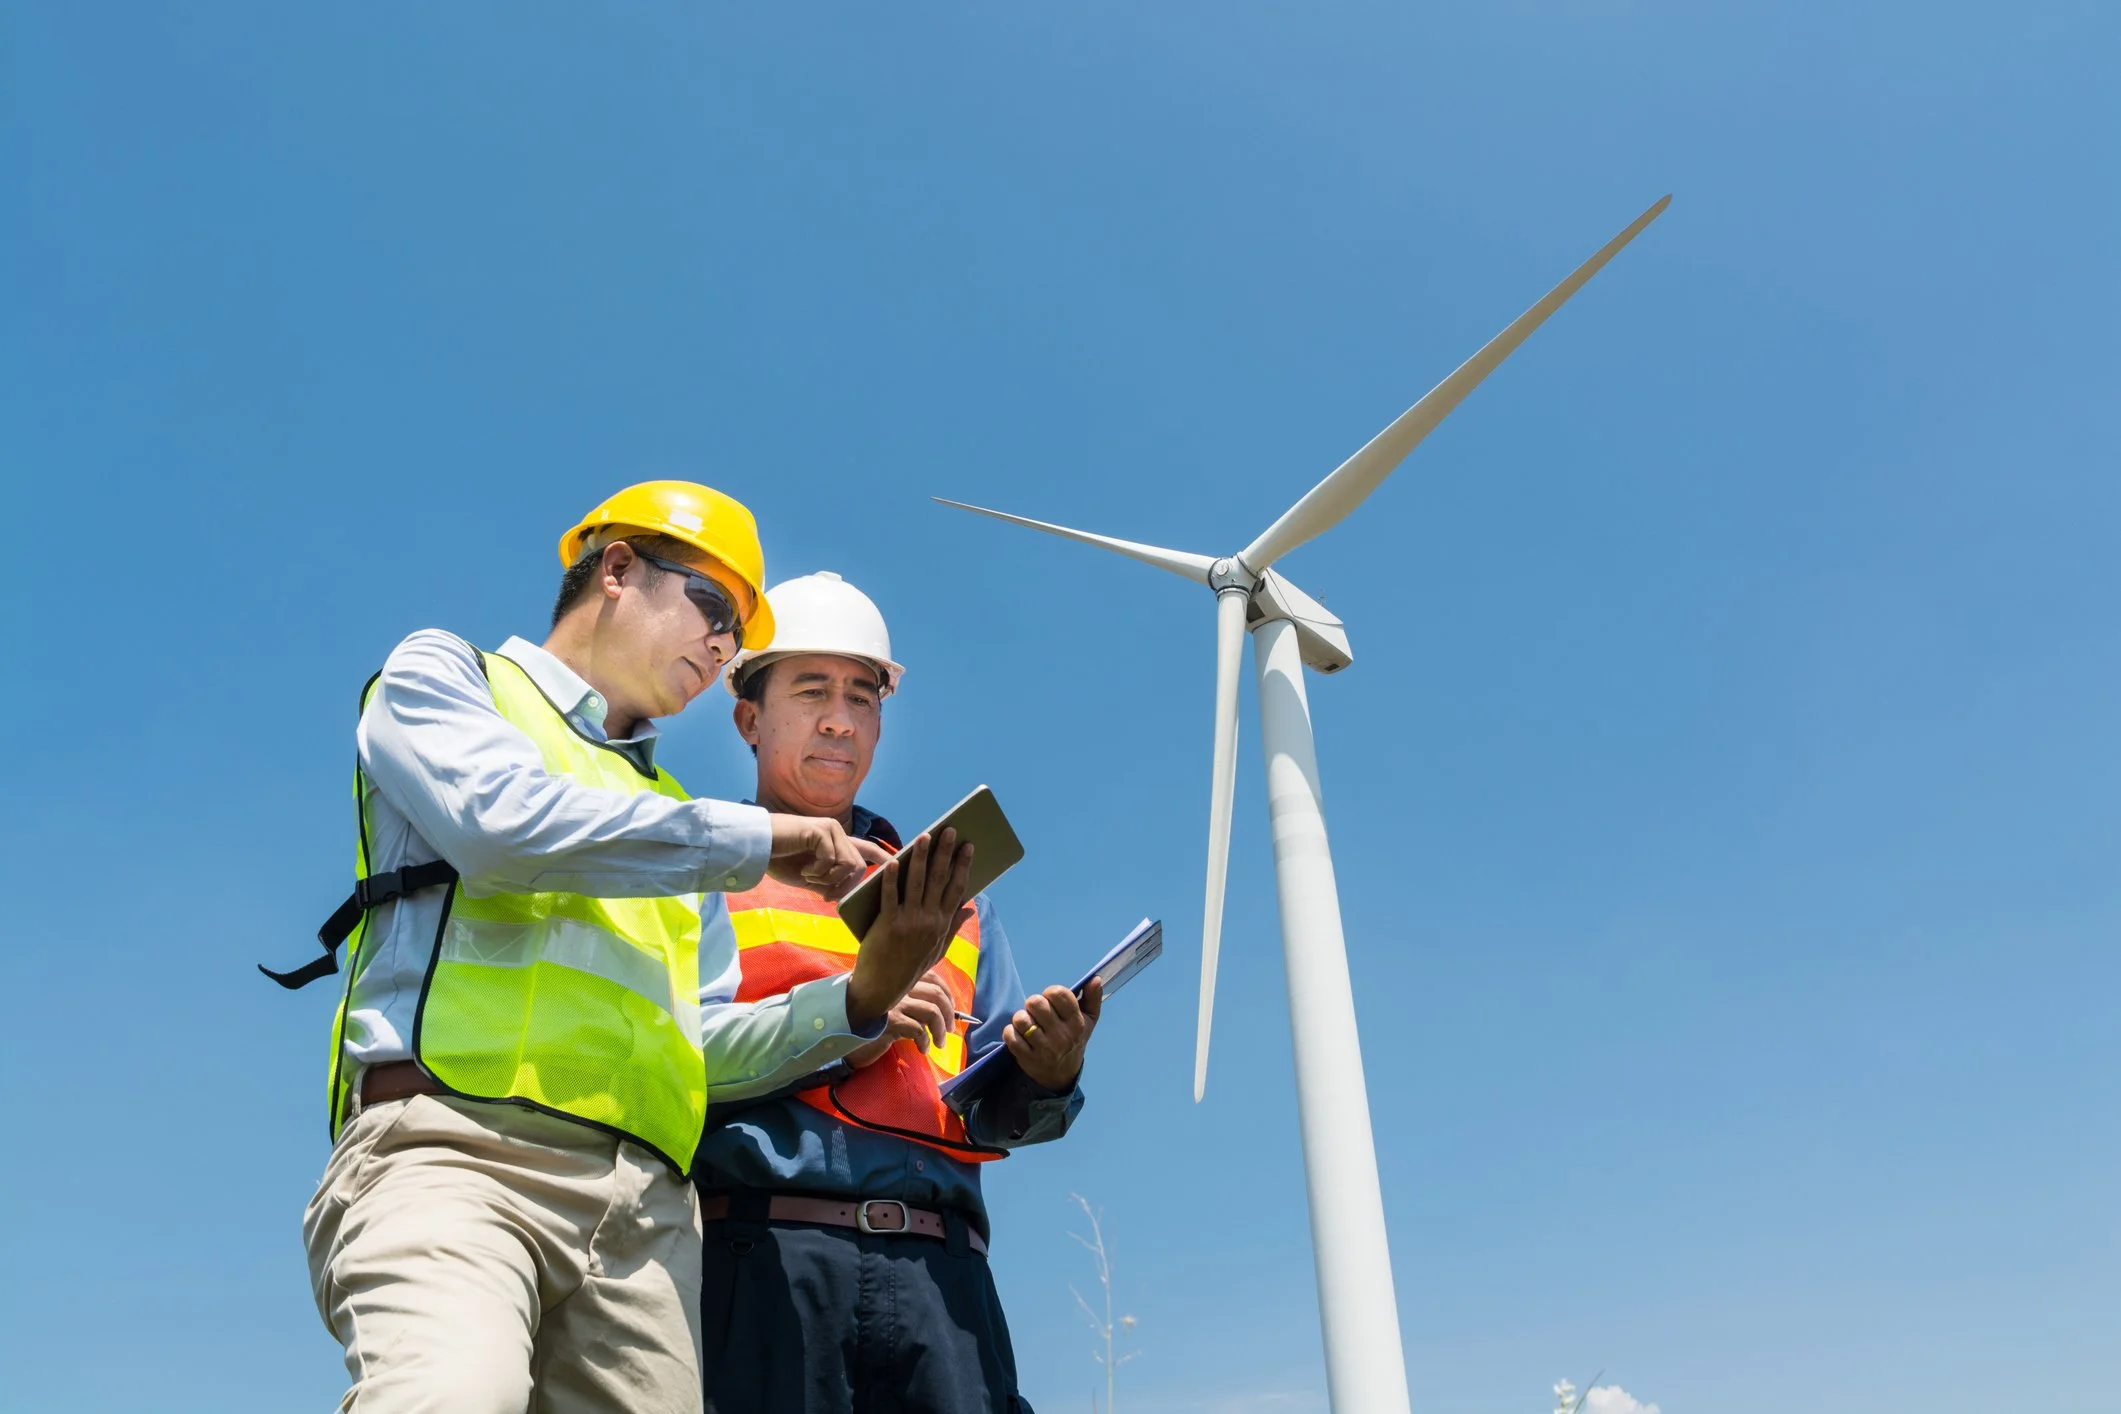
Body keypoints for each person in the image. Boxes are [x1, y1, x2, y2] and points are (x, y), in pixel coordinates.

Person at [277, 483, 973, 1414]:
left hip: (645, 1217)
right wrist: (761, 841)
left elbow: (705, 1046)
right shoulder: (449, 679)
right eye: (713, 610)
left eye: (733, 637)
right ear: (616, 568)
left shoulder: (681, 817)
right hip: (456, 1156)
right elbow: (501, 827)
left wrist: (858, 1003)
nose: (720, 649)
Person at [693, 571, 1101, 1414]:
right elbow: (668, 1061)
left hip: (943, 1276)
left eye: (862, 695)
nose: (840, 718)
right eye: (811, 691)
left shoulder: (955, 893)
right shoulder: (698, 868)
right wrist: (860, 1012)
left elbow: (992, 1104)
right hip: (761, 1258)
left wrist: (1048, 1076)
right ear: (748, 718)